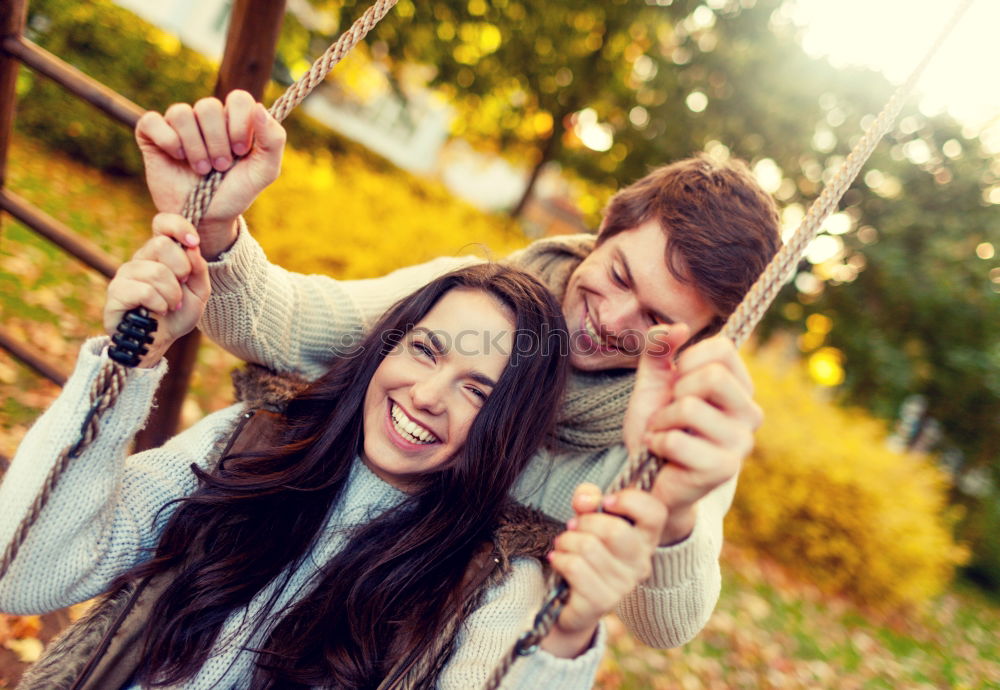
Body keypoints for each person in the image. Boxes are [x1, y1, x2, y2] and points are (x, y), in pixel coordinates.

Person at [133, 90, 781, 648]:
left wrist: (670, 508)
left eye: (655, 319)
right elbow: (286, 328)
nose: (612, 318)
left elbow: (666, 628)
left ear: (697, 337)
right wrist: (214, 231)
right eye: (616, 275)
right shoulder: (474, 298)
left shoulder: (677, 428)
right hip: (311, 604)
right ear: (604, 232)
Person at [0, 239, 669, 688]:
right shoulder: (249, 443)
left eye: (477, 392)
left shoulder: (493, 589)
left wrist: (568, 636)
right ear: (386, 346)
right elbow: (23, 573)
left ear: (507, 430)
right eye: (427, 351)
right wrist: (125, 365)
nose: (428, 397)